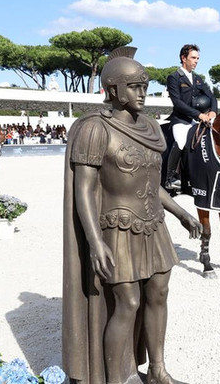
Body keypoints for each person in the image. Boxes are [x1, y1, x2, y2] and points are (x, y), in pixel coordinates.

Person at [63, 46, 202, 384]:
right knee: (127, 301)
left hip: (153, 225)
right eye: (135, 86)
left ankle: (156, 370)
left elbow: (152, 184)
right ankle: (115, 379)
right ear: (113, 89)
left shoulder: (151, 128)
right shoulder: (93, 129)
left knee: (159, 294)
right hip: (116, 227)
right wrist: (95, 243)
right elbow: (83, 190)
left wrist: (182, 213)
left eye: (145, 85)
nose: (143, 92)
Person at [163, 44, 217, 190]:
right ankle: (171, 177)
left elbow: (211, 96)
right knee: (181, 142)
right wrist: (198, 114)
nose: (196, 61)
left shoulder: (197, 79)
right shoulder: (174, 77)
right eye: (193, 58)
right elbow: (177, 103)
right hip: (180, 120)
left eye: (198, 58)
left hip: (197, 120)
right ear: (183, 58)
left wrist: (213, 111)